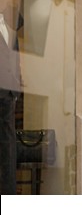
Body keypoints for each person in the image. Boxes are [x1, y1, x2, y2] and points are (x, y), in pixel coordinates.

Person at [0, 12, 22, 195]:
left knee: (8, 146)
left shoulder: (11, 31)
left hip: (8, 94)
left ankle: (9, 195)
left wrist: (17, 87)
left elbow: (15, 60)